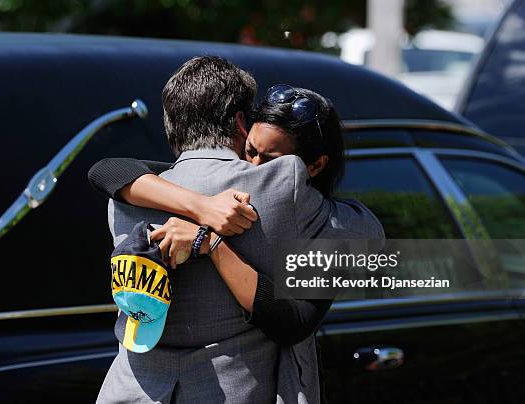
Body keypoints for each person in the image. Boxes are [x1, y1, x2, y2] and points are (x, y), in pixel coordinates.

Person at [90, 56, 383, 404]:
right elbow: (369, 242)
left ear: (171, 123)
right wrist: (205, 216)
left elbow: (105, 170)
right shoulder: (281, 185)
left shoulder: (128, 194)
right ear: (242, 123)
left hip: (130, 390)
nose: (258, 163)